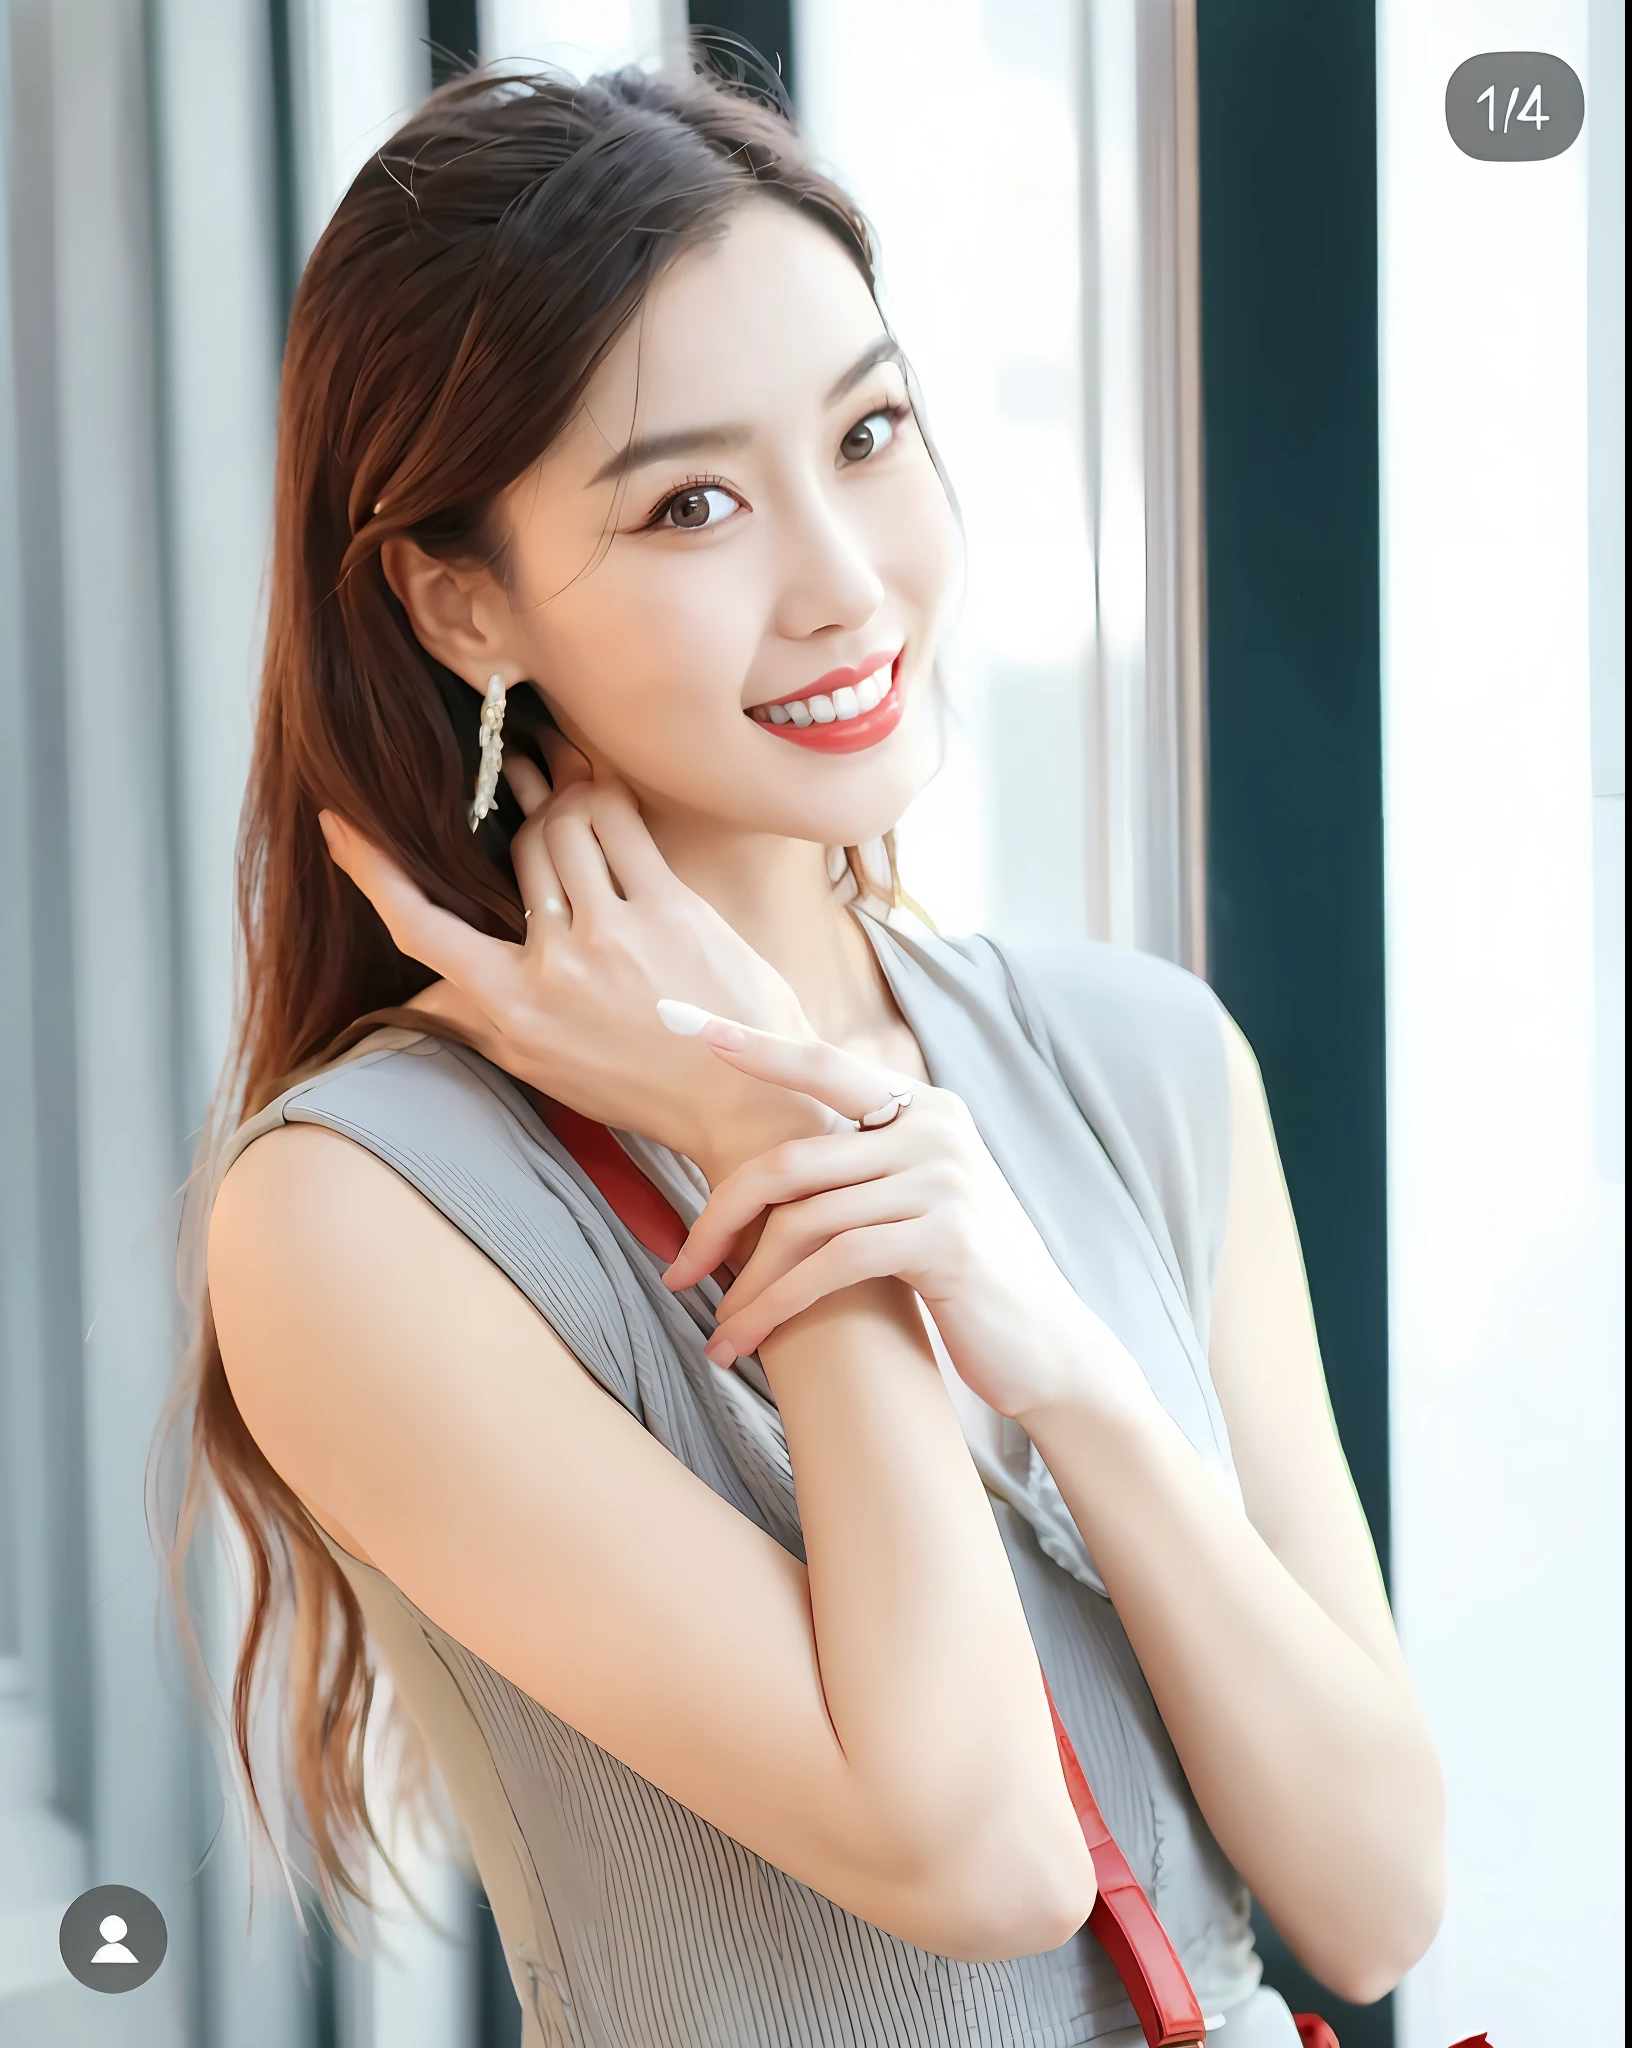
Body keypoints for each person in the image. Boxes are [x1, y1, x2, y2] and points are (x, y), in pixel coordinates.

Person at [178, 58, 1445, 2048]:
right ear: (458, 598)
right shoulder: (349, 1213)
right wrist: (780, 1130)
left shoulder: (1143, 1062)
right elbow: (974, 1855)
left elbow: (1371, 1897)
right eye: (694, 501)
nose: (847, 579)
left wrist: (1076, 1379)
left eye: (869, 432)